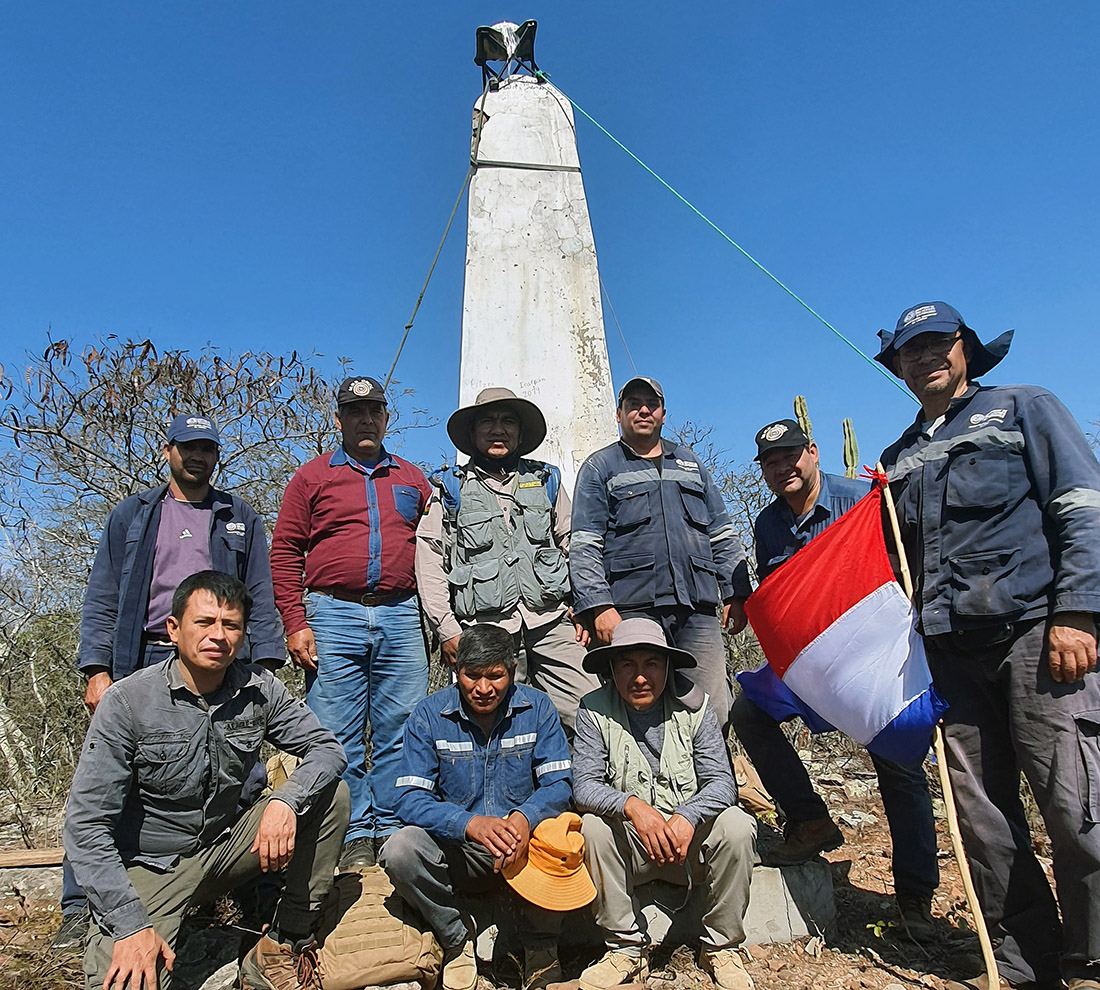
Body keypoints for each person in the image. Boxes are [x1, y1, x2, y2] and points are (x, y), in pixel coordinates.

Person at [877, 301, 1100, 990]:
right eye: (910, 351)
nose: (924, 358)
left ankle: (1090, 958)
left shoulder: (1024, 407)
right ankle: (1022, 962)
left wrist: (1081, 613)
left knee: (1074, 804)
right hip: (950, 658)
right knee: (984, 820)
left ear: (966, 349)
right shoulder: (895, 459)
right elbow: (892, 562)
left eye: (938, 344)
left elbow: (1080, 505)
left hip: (1039, 638)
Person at [58, 412, 285, 950]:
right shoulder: (134, 515)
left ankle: (249, 886)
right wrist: (97, 668)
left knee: (240, 768)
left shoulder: (239, 517)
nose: (198, 457)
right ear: (168, 451)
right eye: (188, 447)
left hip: (222, 654)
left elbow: (260, 590)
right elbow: (103, 593)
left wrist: (265, 664)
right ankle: (78, 905)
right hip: (144, 654)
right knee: (109, 779)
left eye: (208, 447)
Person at [63, 570, 350, 990]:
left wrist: (285, 800)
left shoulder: (260, 688)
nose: (218, 635)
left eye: (231, 625)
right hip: (151, 867)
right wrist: (127, 925)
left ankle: (285, 941)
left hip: (225, 848)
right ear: (174, 629)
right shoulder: (127, 701)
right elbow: (86, 824)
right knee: (126, 981)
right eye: (204, 623)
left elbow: (328, 750)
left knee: (330, 795)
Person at [730, 418, 939, 935]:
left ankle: (915, 898)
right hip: (813, 668)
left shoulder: (867, 499)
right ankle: (809, 818)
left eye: (791, 456)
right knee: (747, 711)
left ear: (815, 452)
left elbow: (904, 572)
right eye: (771, 463)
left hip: (873, 662)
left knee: (899, 760)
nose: (783, 469)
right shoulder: (767, 526)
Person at [270, 376, 431, 872]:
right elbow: (284, 551)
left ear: (386, 419)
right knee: (334, 733)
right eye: (354, 411)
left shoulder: (413, 479)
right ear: (337, 420)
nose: (365, 419)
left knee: (400, 729)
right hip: (332, 611)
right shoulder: (312, 477)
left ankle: (390, 827)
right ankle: (353, 831)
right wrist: (296, 621)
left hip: (402, 612)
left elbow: (439, 548)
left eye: (374, 411)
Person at [380, 623, 574, 990]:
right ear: (456, 672)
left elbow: (559, 785)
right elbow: (408, 798)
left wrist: (524, 817)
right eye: (472, 676)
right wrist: (468, 824)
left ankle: (540, 946)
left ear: (512, 670)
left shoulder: (539, 708)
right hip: (459, 850)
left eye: (495, 676)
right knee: (400, 849)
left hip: (524, 848)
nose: (483, 689)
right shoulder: (428, 716)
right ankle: (457, 940)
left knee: (565, 831)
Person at [573, 617, 757, 990]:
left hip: (688, 850)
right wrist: (634, 807)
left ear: (667, 667)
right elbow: (584, 786)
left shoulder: (697, 707)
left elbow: (722, 782)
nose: (640, 677)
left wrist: (688, 817)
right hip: (633, 850)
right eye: (628, 665)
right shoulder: (593, 710)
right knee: (591, 827)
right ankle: (625, 949)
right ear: (612, 669)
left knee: (737, 825)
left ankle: (721, 946)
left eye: (651, 664)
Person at [570, 376, 752, 730]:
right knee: (638, 709)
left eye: (650, 404)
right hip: (631, 611)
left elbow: (722, 532)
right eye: (633, 404)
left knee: (713, 708)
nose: (642, 410)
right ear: (618, 414)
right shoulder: (600, 466)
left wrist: (736, 592)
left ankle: (713, 783)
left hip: (696, 610)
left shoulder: (691, 464)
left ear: (663, 414)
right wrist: (599, 606)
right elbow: (585, 545)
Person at [416, 387, 599, 733]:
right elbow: (430, 561)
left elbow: (572, 542)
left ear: (519, 432)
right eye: (488, 421)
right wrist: (447, 630)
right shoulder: (449, 488)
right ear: (472, 433)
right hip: (483, 630)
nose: (498, 429)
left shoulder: (546, 480)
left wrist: (584, 605)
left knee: (592, 714)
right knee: (494, 729)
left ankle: (589, 786)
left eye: (507, 421)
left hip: (551, 622)